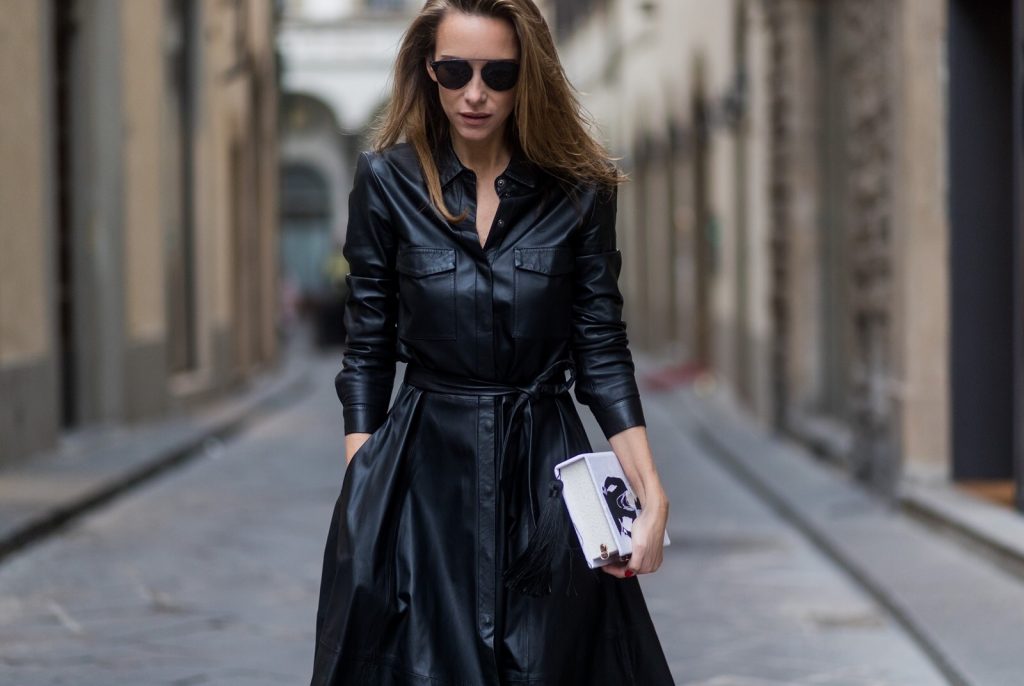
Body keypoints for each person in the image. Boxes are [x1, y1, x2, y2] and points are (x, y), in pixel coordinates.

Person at [311, 1, 674, 683]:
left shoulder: (580, 192)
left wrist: (650, 491)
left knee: (553, 665)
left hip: (546, 475)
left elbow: (600, 348)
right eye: (455, 70)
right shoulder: (386, 182)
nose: (475, 93)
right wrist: (363, 482)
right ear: (429, 70)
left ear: (526, 75)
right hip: (421, 478)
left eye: (498, 73)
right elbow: (367, 348)